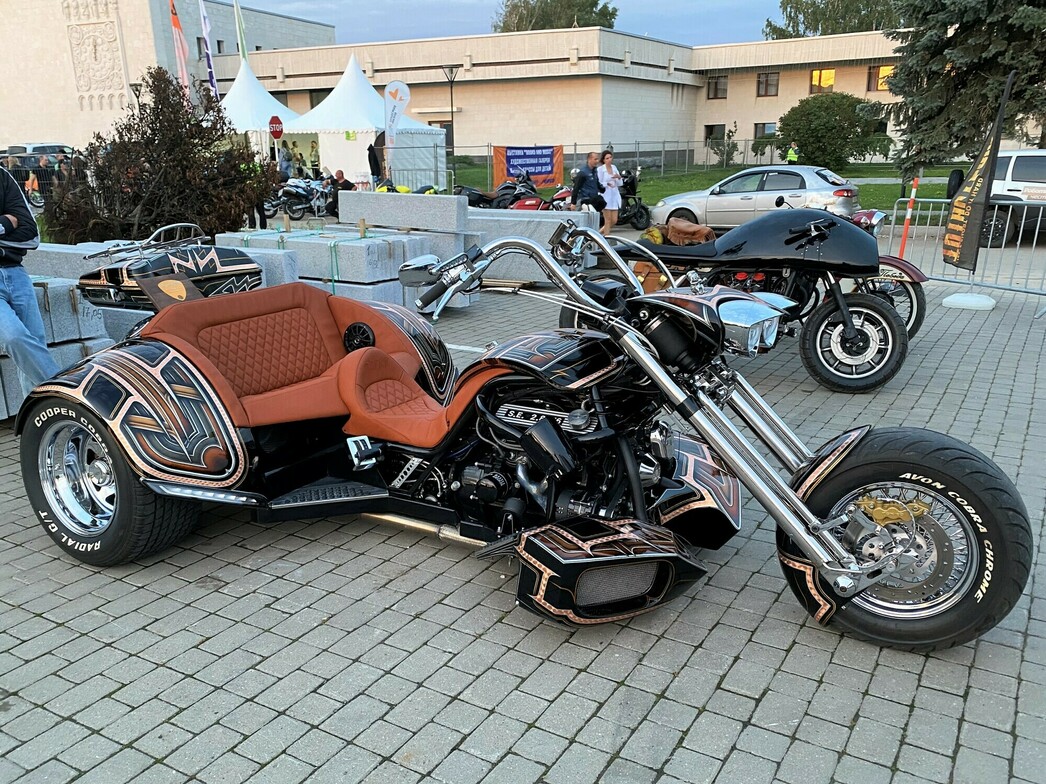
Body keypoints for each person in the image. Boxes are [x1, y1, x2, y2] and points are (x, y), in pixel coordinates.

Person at [0, 167, 59, 393]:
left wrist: (11, 222)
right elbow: (14, 221)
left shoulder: (2, 176)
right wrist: (7, 222)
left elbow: (31, 235)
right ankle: (66, 392)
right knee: (14, 337)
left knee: (34, 346)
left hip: (17, 273)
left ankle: (40, 414)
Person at [597, 149, 622, 236]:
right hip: (605, 196)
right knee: (607, 220)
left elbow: (620, 183)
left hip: (614, 196)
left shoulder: (614, 168)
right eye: (607, 158)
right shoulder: (601, 169)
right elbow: (599, 183)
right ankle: (606, 237)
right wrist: (606, 183)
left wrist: (618, 177)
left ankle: (598, 234)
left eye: (610, 157)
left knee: (614, 220)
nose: (609, 160)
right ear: (603, 160)